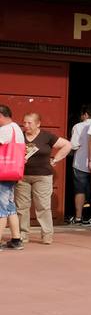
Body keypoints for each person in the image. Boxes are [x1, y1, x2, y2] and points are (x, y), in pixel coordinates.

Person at [15, 113, 70, 245]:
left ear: (38, 123)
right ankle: (23, 234)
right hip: (22, 176)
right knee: (22, 207)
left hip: (43, 176)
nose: (26, 125)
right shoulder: (19, 136)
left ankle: (47, 234)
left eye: (29, 123)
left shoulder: (47, 136)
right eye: (24, 123)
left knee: (43, 206)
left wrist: (55, 159)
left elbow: (67, 145)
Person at [0, 106, 25, 249]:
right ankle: (16, 240)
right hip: (12, 172)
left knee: (1, 208)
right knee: (10, 206)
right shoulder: (16, 128)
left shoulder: (5, 129)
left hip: (2, 173)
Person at [68, 106, 91, 225]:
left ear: (85, 114)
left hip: (80, 162)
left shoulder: (78, 126)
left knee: (80, 190)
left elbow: (73, 145)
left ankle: (78, 217)